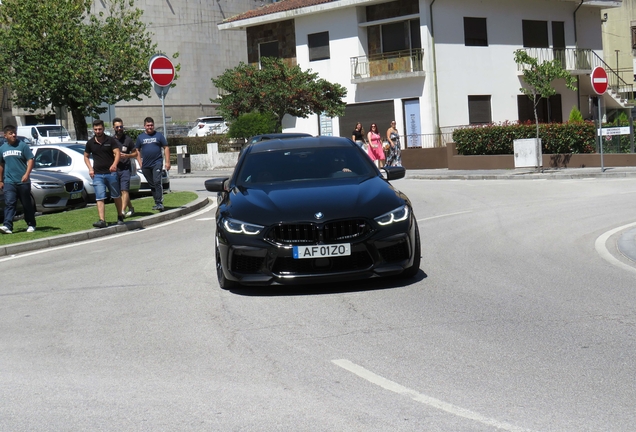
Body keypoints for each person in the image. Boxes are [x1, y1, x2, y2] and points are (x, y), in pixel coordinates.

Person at [84, 119, 124, 228]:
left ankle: (120, 215)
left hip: (111, 173)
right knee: (99, 197)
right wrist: (90, 168)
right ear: (93, 129)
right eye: (96, 129)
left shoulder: (110, 140)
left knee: (116, 195)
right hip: (97, 174)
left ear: (103, 129)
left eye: (100, 129)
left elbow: (117, 153)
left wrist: (114, 164)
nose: (98, 131)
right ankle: (102, 220)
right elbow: (86, 156)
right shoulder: (90, 142)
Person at [0, 125, 36, 234]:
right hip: (9, 181)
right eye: (10, 133)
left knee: (26, 204)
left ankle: (31, 224)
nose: (14, 135)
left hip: (23, 181)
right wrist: (0, 180)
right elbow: (1, 164)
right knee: (10, 203)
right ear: (5, 135)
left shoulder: (22, 145)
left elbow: (30, 160)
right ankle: (7, 226)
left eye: (14, 132)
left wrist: (26, 174)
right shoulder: (2, 148)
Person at [135, 117, 171, 211]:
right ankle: (157, 202)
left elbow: (166, 148)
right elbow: (137, 150)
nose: (150, 127)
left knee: (157, 181)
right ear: (144, 126)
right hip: (146, 165)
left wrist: (167, 162)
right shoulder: (140, 137)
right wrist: (140, 162)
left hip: (157, 163)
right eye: (148, 125)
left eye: (151, 125)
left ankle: (160, 202)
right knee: (152, 184)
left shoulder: (159, 136)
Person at [113, 117, 138, 217]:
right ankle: (131, 208)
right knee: (120, 192)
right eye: (117, 127)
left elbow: (135, 153)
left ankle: (122, 211)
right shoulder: (111, 140)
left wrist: (127, 155)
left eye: (121, 126)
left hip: (125, 168)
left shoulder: (128, 140)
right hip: (115, 169)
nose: (119, 128)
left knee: (125, 190)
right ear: (114, 127)